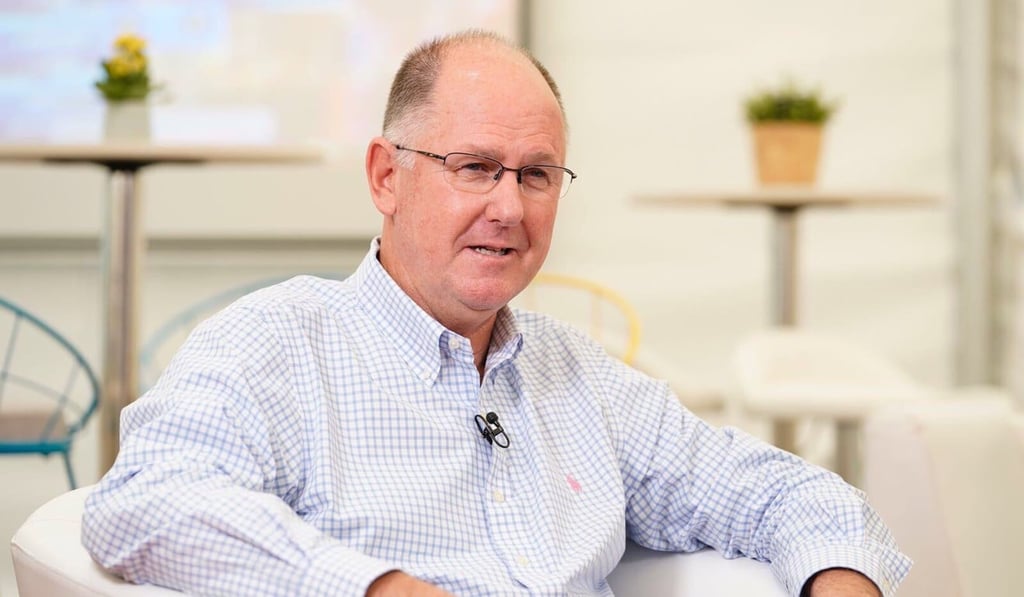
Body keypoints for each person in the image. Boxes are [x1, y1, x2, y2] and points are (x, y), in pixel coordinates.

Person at [82, 30, 910, 596]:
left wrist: (838, 574)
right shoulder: (278, 344)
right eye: (475, 167)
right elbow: (145, 499)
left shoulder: (582, 379)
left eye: (538, 173)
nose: (509, 208)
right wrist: (372, 587)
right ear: (385, 176)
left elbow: (772, 492)